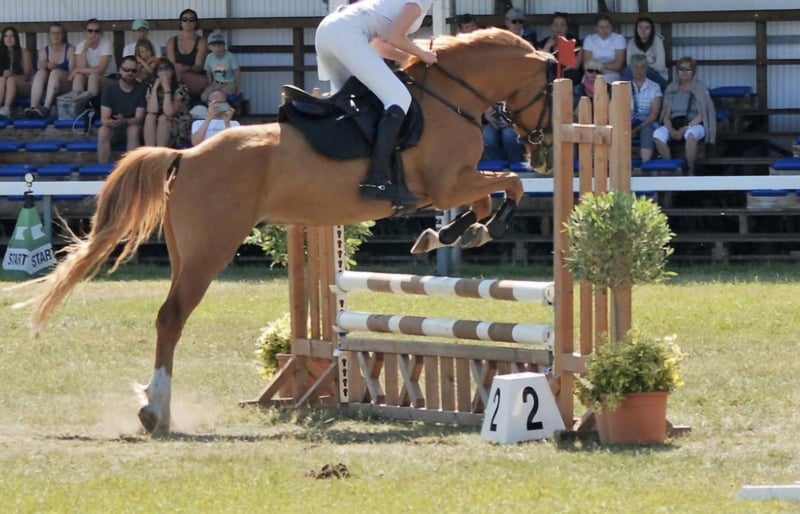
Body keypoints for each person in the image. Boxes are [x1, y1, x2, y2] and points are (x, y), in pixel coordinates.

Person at [314, 0, 437, 205]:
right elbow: (395, 37)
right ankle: (378, 180)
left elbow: (380, 45)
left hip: (327, 31)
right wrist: (423, 54)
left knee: (345, 102)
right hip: (347, 33)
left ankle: (337, 170)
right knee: (399, 97)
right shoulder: (418, 2)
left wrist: (409, 58)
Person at [654, 56, 716, 175]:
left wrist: (685, 128)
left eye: (688, 69)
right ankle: (671, 167)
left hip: (694, 123)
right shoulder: (672, 88)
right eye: (681, 69)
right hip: (675, 123)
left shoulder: (700, 88)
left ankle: (690, 169)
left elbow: (702, 114)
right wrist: (671, 130)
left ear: (693, 71)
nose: (684, 72)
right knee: (657, 134)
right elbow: (666, 114)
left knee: (691, 135)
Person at [97, 56, 146, 163]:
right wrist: (114, 122)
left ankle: (131, 167)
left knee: (133, 130)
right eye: (126, 70)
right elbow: (104, 119)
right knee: (103, 131)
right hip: (115, 127)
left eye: (133, 70)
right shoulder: (109, 89)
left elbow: (139, 118)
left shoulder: (142, 89)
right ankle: (103, 168)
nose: (129, 73)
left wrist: (124, 121)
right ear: (120, 70)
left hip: (134, 126)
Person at [25, 23, 73, 119]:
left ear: (63, 35)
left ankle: (46, 108)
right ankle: (33, 107)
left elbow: (72, 73)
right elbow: (43, 70)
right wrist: (45, 65)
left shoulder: (70, 50)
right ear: (49, 35)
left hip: (65, 85)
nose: (56, 36)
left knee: (55, 73)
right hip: (48, 87)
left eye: (59, 33)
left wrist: (57, 68)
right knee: (40, 73)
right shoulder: (43, 51)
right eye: (53, 33)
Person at [144, 58, 192, 148]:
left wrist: (167, 89)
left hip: (178, 122)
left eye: (167, 68)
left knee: (163, 118)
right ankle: (150, 151)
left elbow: (169, 112)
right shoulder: (152, 87)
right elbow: (152, 110)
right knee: (149, 117)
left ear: (172, 71)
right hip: (158, 123)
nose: (164, 72)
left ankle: (160, 152)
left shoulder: (181, 88)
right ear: (156, 73)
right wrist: (155, 88)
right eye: (160, 69)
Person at [70, 19, 118, 97]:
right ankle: (76, 102)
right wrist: (85, 49)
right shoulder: (81, 45)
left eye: (96, 31)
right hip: (88, 76)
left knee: (93, 76)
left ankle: (90, 102)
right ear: (85, 32)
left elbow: (100, 70)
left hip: (108, 77)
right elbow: (81, 67)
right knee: (78, 76)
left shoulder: (106, 44)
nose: (93, 34)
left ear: (100, 33)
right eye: (90, 31)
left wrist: (78, 70)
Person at [166, 9, 208, 96]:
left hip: (195, 77)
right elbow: (171, 65)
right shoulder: (172, 41)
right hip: (176, 76)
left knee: (180, 78)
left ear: (196, 23)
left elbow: (199, 67)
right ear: (180, 23)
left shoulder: (201, 41)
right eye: (184, 20)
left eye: (191, 20)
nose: (188, 22)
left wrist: (186, 68)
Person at [629, 54, 663, 163]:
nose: (639, 70)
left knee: (647, 131)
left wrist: (638, 128)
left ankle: (645, 164)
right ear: (631, 68)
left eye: (642, 67)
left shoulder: (654, 87)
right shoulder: (624, 86)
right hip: (629, 120)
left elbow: (654, 113)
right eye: (636, 67)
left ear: (647, 68)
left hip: (647, 121)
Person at [624, 16, 667, 91]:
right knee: (628, 70)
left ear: (651, 30)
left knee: (640, 70)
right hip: (637, 75)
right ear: (636, 29)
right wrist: (648, 62)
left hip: (657, 76)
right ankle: (628, 95)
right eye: (640, 27)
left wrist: (641, 66)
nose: (643, 30)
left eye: (647, 28)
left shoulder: (657, 41)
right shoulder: (631, 43)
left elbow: (661, 67)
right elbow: (629, 64)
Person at [537, 11, 582, 83]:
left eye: (562, 25)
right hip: (549, 77)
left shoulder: (575, 42)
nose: (559, 28)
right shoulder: (543, 43)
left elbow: (575, 65)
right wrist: (547, 47)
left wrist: (559, 77)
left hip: (567, 76)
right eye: (556, 25)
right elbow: (540, 64)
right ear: (552, 26)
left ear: (567, 27)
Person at [581, 13, 626, 83]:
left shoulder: (618, 39)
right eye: (601, 27)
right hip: (592, 74)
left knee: (603, 82)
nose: (604, 30)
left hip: (612, 74)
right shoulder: (589, 39)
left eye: (607, 27)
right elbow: (587, 65)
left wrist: (597, 66)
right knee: (584, 83)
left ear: (612, 27)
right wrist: (606, 67)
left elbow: (618, 65)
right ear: (596, 28)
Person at [0, 26, 33, 119]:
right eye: (6, 36)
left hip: (24, 85)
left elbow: (27, 76)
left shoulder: (24, 52)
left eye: (12, 36)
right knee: (2, 79)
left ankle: (6, 109)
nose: (9, 39)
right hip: (5, 86)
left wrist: (12, 75)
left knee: (10, 79)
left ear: (16, 38)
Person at [200, 32, 240, 103]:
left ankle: (224, 109)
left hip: (229, 83)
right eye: (214, 45)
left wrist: (238, 88)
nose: (217, 47)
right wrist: (210, 85)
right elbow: (208, 72)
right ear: (209, 47)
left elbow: (237, 72)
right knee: (204, 96)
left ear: (224, 45)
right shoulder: (209, 57)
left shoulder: (230, 56)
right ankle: (211, 109)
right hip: (216, 83)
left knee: (218, 96)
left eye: (220, 45)